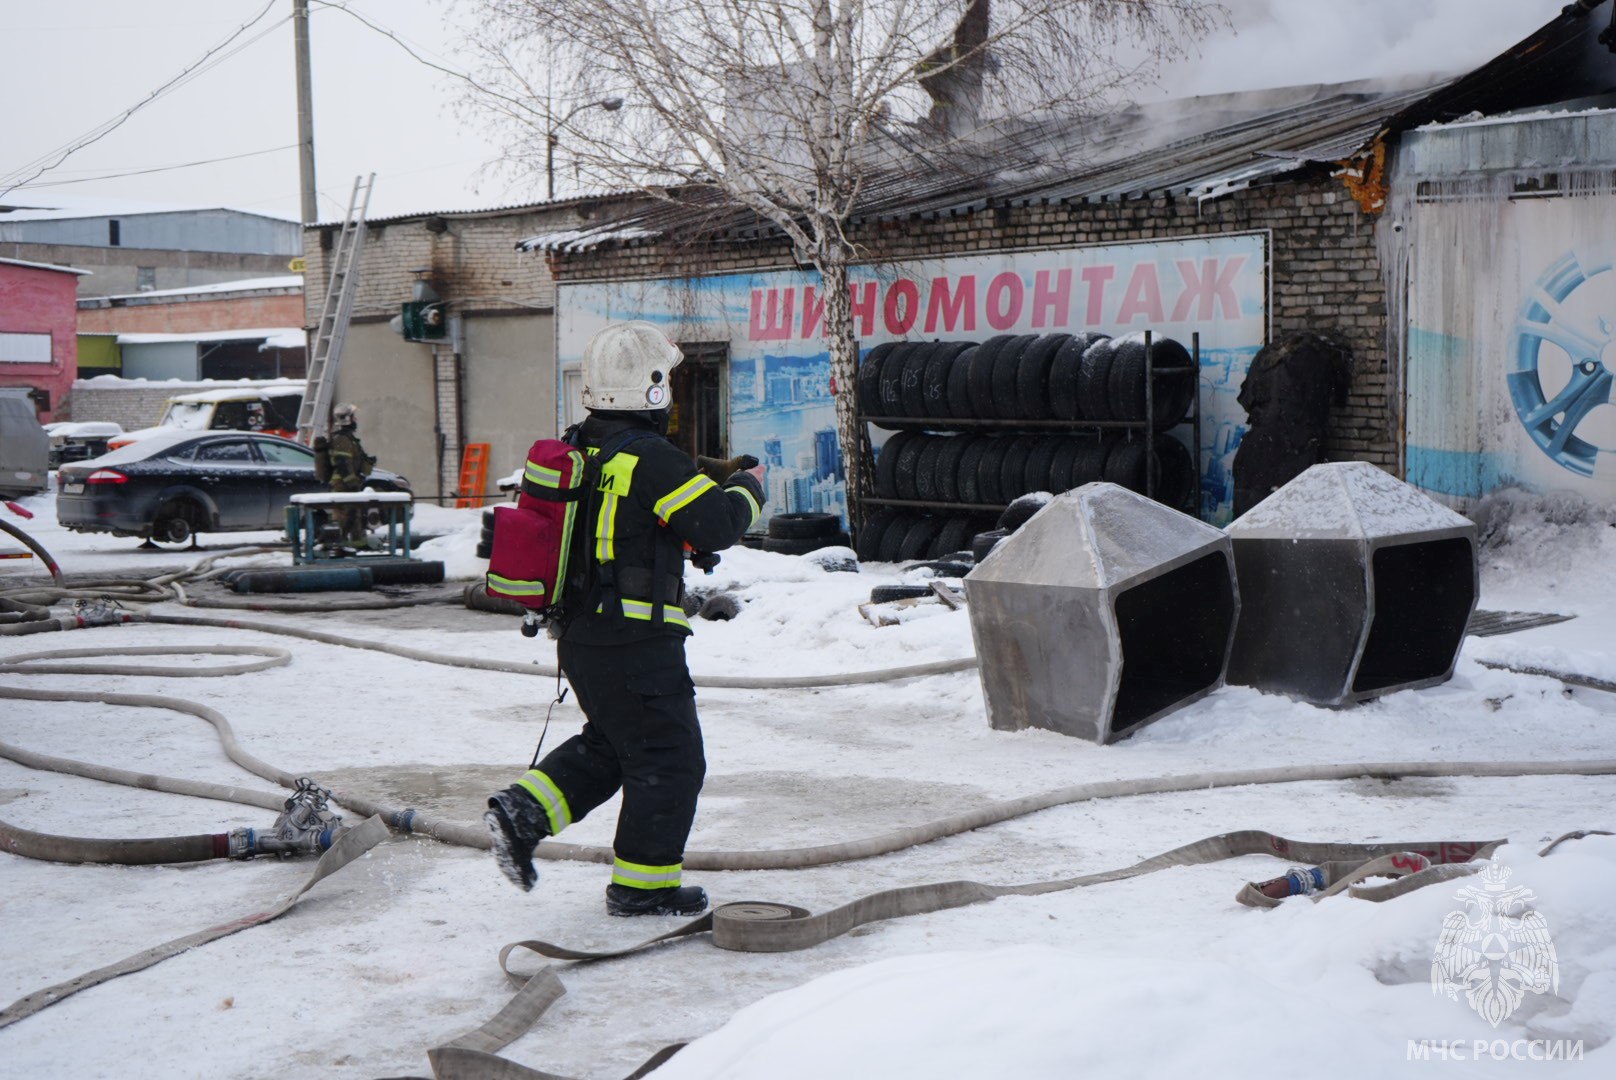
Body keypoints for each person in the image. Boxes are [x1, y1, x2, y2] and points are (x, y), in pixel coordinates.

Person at [484, 322, 766, 917]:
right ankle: (643, 889)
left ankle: (522, 812)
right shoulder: (649, 456)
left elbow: (623, 531)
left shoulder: (584, 446)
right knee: (670, 759)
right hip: (635, 641)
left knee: (617, 746)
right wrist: (746, 488)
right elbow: (716, 525)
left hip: (586, 636)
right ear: (654, 387)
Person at [319, 402, 375, 545]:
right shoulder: (342, 439)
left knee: (354, 517)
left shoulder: (347, 438)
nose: (356, 420)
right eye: (353, 417)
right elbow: (342, 462)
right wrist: (352, 482)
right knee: (345, 518)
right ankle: (340, 546)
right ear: (347, 419)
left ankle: (355, 546)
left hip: (346, 484)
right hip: (342, 485)